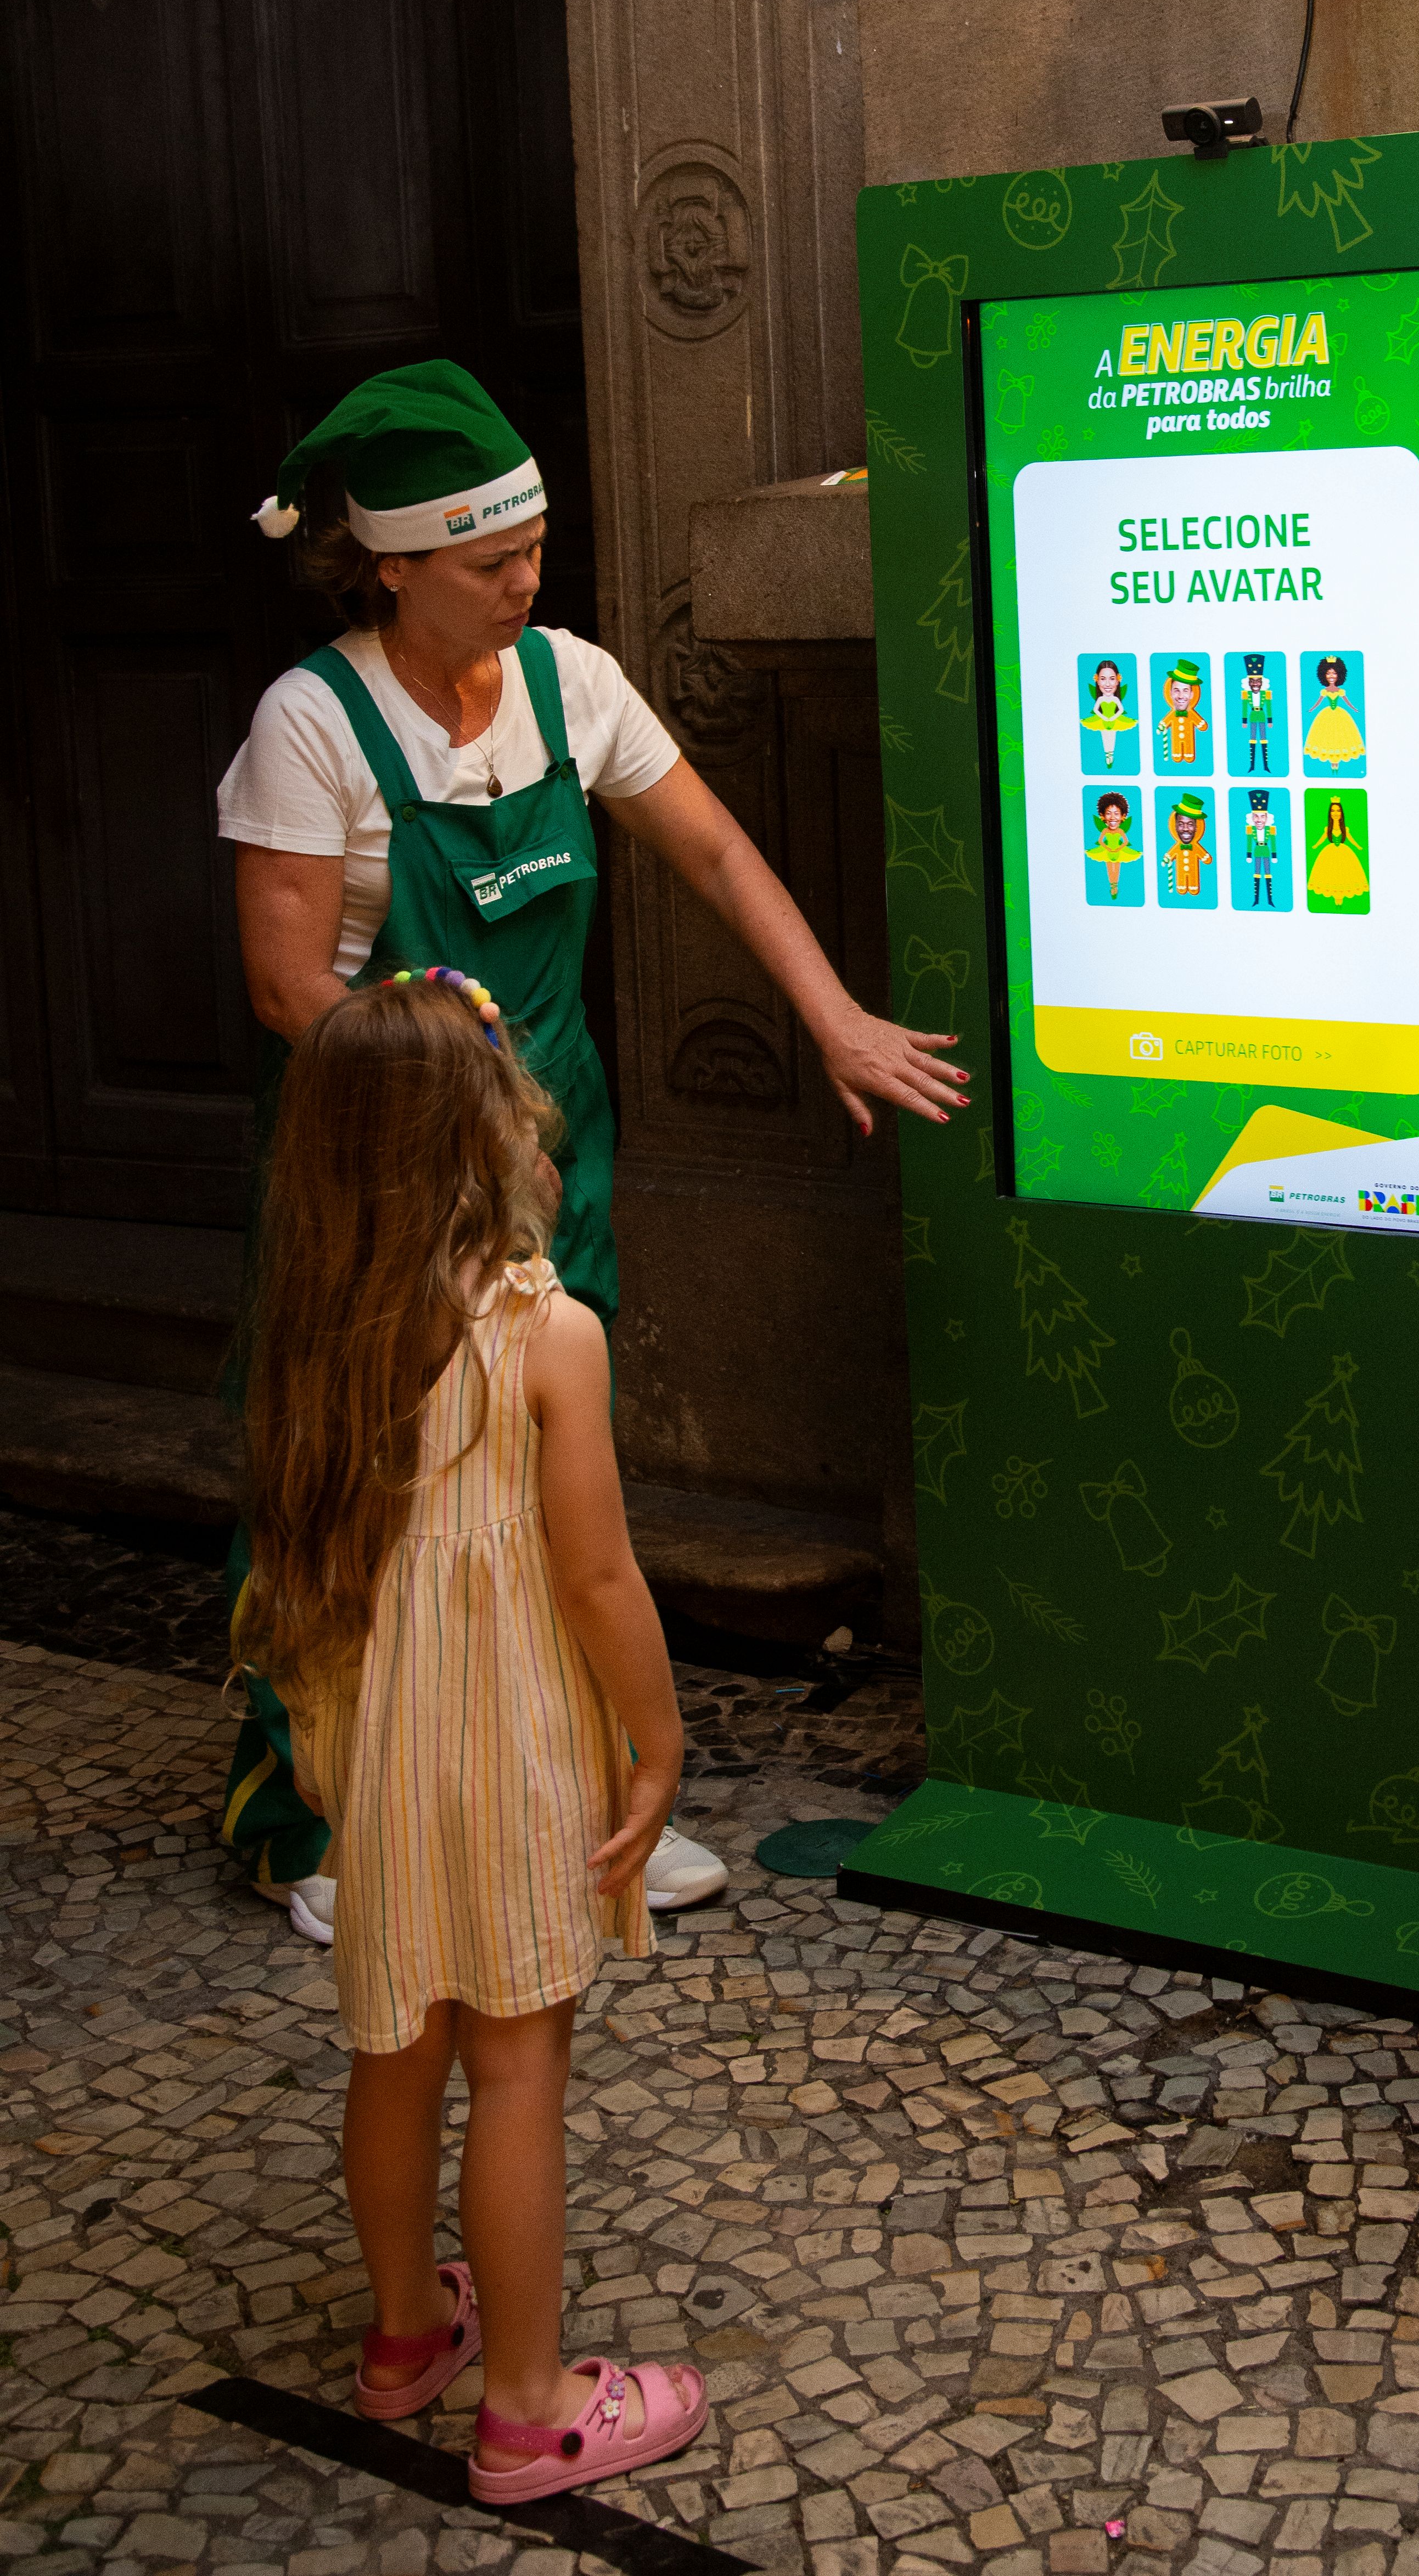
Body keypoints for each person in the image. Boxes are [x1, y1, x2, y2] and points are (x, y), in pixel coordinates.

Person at [218, 361, 966, 1938]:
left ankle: (591, 1795)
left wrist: (833, 1016)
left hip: (549, 1156)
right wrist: (446, 1102)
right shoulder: (315, 723)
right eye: (492, 561)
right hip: (374, 1160)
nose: (526, 582)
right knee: (360, 1473)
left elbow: (714, 849)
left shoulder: (571, 684)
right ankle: (323, 1816)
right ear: (392, 566)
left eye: (536, 550)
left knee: (553, 1479)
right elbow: (289, 988)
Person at [243, 973, 705, 2499]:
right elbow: (596, 1577)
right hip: (505, 1749)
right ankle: (526, 2404)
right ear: (488, 1139)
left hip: (374, 1752)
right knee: (514, 2064)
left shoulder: (312, 1337)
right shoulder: (546, 1337)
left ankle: (402, 2337)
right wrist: (657, 1740)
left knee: (395, 2045)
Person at [1302, 655, 1364, 771]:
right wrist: (1311, 709)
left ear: (1339, 675)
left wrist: (1355, 709)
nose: (1331, 676)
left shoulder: (1341, 691)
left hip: (1340, 716)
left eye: (1334, 673)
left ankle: (1336, 764)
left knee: (1340, 735)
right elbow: (1319, 702)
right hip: (1326, 716)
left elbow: (1347, 702)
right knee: (1327, 735)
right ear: (1324, 675)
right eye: (1328, 673)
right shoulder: (1324, 691)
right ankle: (1332, 764)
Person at [1306, 795, 1366, 908]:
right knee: (1331, 873)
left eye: (1338, 811)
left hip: (1344, 853)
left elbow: (1351, 839)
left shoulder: (1345, 829)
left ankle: (1340, 899)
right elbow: (1322, 839)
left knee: (1343, 873)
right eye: (1333, 811)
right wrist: (1315, 846)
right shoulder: (1327, 829)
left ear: (1342, 813)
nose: (1336, 813)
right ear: (1330, 813)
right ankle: (1336, 899)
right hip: (1330, 853)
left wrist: (1358, 847)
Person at [1086, 791, 1140, 902]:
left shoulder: (1120, 831)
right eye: (1108, 813)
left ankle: (1116, 885)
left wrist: (1118, 849)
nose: (1112, 818)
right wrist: (1108, 849)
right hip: (1108, 852)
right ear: (1102, 816)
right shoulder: (1105, 831)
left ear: (1123, 817)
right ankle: (1113, 886)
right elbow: (1100, 841)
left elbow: (1125, 842)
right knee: (1110, 869)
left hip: (1118, 852)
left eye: (1116, 814)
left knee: (1117, 869)